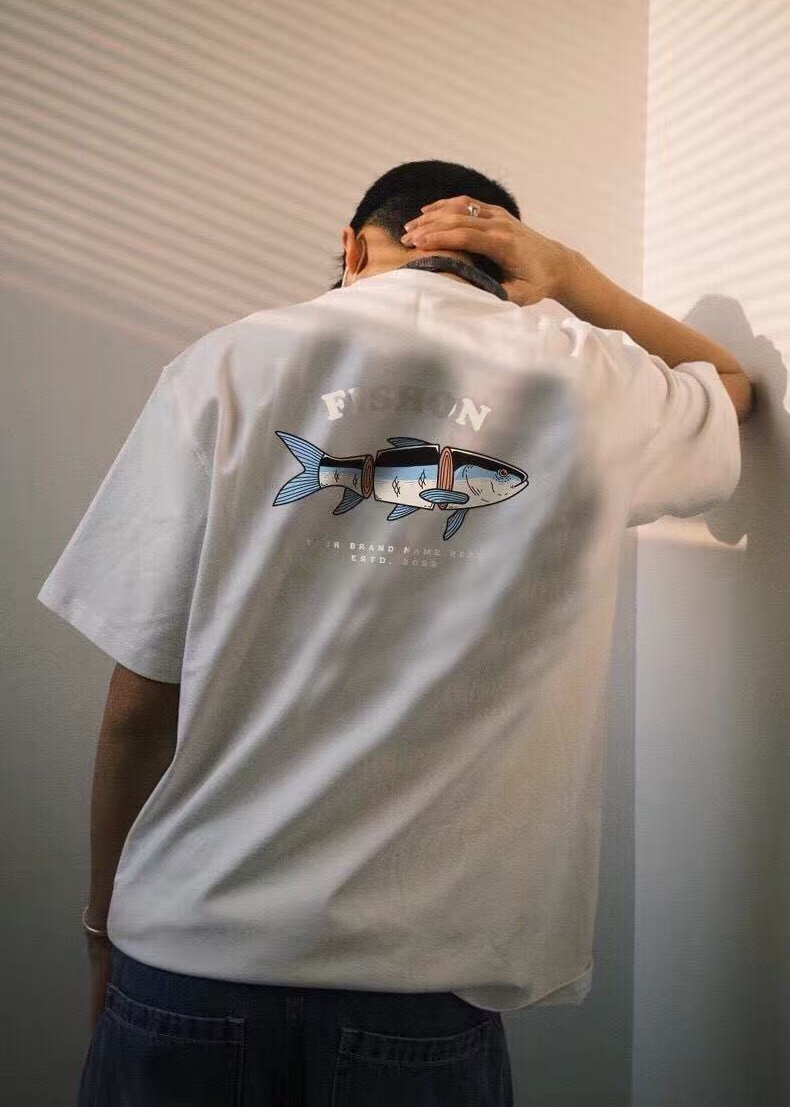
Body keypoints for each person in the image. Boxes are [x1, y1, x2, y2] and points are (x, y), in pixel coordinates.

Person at [37, 159, 753, 1105]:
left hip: (187, 953)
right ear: (511, 265)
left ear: (351, 247)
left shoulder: (229, 362)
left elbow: (138, 707)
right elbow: (731, 383)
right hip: (420, 989)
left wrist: (102, 928)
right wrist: (572, 275)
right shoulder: (593, 380)